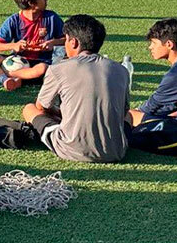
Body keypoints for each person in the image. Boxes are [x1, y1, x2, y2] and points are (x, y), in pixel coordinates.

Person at [22, 14, 129, 163]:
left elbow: (42, 107)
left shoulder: (58, 69)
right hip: (116, 151)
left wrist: (61, 114)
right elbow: (123, 112)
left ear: (73, 42)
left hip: (72, 149)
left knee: (29, 109)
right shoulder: (121, 70)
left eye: (65, 40)